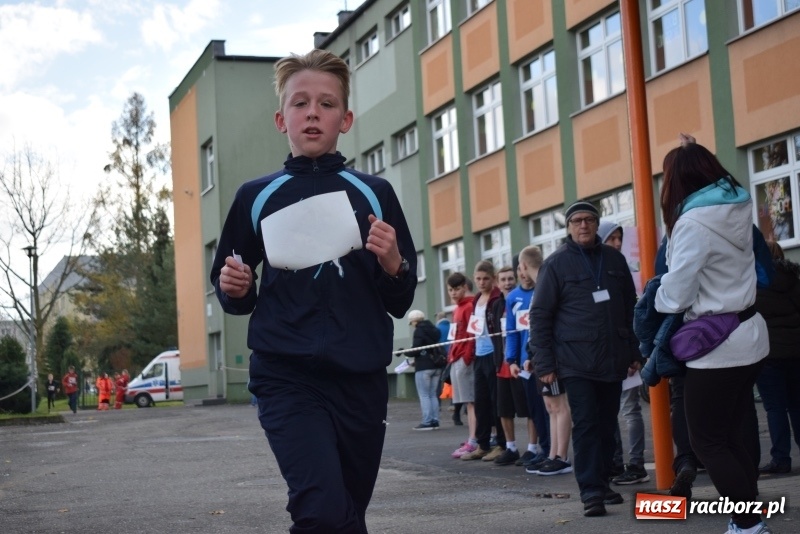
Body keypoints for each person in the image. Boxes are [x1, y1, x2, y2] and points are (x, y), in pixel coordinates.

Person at [210, 49, 417, 534]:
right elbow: (231, 287)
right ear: (282, 118)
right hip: (286, 376)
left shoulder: (374, 193)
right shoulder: (255, 196)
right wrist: (236, 287)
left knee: (347, 515)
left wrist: (392, 263)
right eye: (300, 103)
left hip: (360, 380)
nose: (312, 113)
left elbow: (400, 299)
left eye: (326, 104)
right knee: (322, 511)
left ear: (345, 119)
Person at [655, 137, 770, 534]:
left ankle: (750, 524)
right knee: (735, 435)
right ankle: (748, 521)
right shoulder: (737, 207)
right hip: (749, 333)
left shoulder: (691, 223)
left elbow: (678, 293)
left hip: (714, 344)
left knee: (707, 443)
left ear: (678, 181)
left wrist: (657, 298)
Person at [530, 200, 640, 517]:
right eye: (577, 220)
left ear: (597, 224)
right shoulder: (556, 264)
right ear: (568, 226)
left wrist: (633, 351)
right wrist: (545, 365)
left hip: (612, 359)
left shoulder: (615, 261)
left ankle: (604, 482)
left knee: (607, 426)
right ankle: (591, 491)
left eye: (589, 220)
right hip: (574, 361)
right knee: (587, 425)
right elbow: (540, 317)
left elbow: (629, 308)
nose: (583, 225)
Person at [598, 220, 650, 486]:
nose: (617, 243)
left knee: (630, 410)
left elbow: (633, 313)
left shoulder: (626, 271)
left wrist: (634, 352)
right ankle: (616, 462)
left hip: (625, 350)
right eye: (611, 239)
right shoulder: (598, 270)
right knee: (609, 411)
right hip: (603, 355)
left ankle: (637, 464)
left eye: (619, 238)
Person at [754, 240, 800, 475]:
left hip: (769, 354)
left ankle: (781, 458)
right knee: (796, 405)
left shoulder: (757, 282)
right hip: (796, 352)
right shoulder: (794, 278)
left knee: (775, 408)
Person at [501, 247, 550, 468]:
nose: (522, 274)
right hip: (524, 363)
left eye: (522, 269)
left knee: (550, 408)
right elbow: (511, 332)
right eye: (519, 270)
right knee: (533, 409)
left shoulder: (543, 289)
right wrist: (511, 360)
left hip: (544, 358)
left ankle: (548, 450)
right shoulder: (512, 298)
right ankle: (543, 449)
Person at [460, 261, 506, 461]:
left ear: (493, 278)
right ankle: (483, 443)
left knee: (497, 402)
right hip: (479, 354)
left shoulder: (497, 298)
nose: (481, 282)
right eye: (478, 279)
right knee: (481, 402)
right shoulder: (476, 299)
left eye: (486, 278)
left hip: (493, 355)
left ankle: (502, 444)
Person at [448, 272, 479, 458]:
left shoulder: (468, 307)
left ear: (465, 287)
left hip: (466, 359)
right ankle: (473, 437)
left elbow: (472, 335)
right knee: (468, 402)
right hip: (457, 358)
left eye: (457, 289)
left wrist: (467, 357)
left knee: (472, 401)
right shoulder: (456, 309)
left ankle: (474, 439)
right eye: (450, 290)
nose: (453, 293)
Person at [408, 309, 445, 430]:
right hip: (436, 365)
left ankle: (427, 421)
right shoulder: (434, 329)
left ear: (414, 321)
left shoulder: (419, 330)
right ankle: (435, 420)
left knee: (424, 395)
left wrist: (404, 352)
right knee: (433, 395)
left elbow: (416, 349)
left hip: (423, 367)